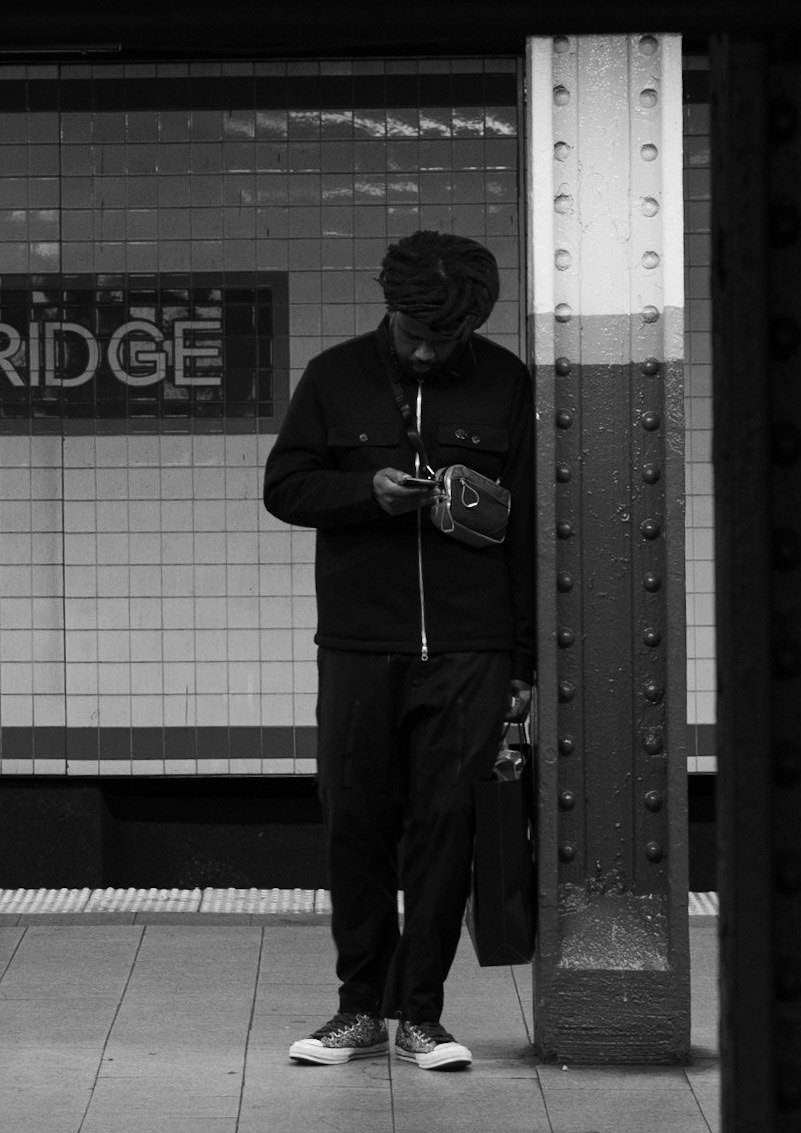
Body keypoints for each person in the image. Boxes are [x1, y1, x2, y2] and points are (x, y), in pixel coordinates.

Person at [262, 230, 535, 1071]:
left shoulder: (506, 383)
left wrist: (523, 663)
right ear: (389, 309)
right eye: (412, 333)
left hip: (471, 645)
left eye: (441, 341)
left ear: (470, 327)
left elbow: (531, 538)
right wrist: (365, 493)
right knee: (356, 820)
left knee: (447, 827)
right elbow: (284, 487)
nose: (423, 351)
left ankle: (423, 1015)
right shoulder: (335, 376)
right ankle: (357, 1009)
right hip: (358, 643)